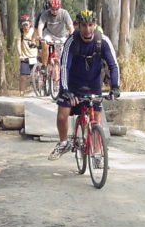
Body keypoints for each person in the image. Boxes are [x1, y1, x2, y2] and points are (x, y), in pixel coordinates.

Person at [48, 10, 120, 161]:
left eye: (91, 25)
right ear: (78, 26)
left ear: (95, 25)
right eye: (84, 25)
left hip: (93, 85)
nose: (88, 29)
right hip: (72, 86)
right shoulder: (71, 41)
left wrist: (115, 87)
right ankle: (63, 143)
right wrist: (66, 90)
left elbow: (113, 66)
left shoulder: (103, 41)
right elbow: (64, 67)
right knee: (62, 116)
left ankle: (98, 154)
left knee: (96, 121)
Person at [34, 0, 74, 68]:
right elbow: (40, 26)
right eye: (52, 9)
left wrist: (72, 37)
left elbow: (71, 27)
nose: (55, 11)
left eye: (57, 9)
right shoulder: (45, 14)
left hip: (61, 36)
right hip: (49, 34)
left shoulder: (64, 13)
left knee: (64, 54)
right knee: (45, 44)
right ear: (49, 8)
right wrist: (40, 37)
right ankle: (44, 65)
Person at [18, 14, 39, 96]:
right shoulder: (20, 33)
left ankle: (39, 91)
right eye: (23, 25)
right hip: (25, 57)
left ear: (30, 24)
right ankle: (22, 93)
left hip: (34, 57)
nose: (25, 26)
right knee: (23, 76)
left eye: (26, 24)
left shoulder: (34, 32)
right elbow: (18, 44)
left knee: (38, 76)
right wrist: (20, 55)